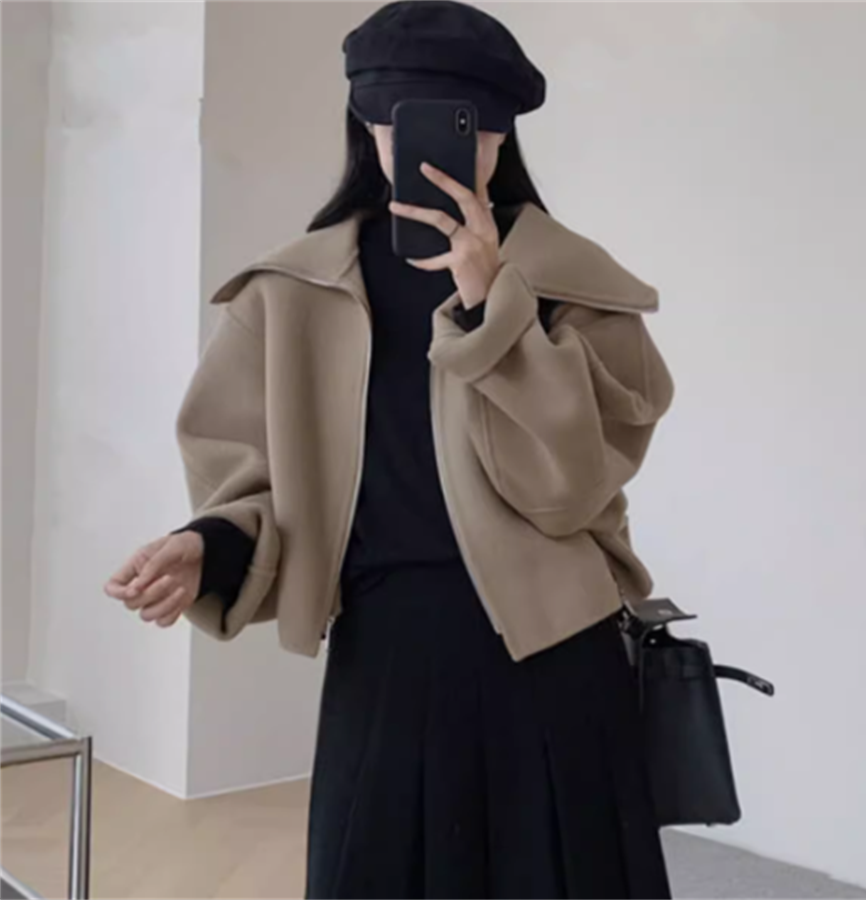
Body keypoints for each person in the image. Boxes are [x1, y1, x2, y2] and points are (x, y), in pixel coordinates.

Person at [104, 2, 675, 898]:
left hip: (556, 652)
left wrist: (492, 308)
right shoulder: (291, 291)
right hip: (386, 655)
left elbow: (571, 489)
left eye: (465, 126)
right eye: (396, 120)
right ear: (365, 126)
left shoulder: (575, 284)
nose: (431, 150)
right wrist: (207, 543)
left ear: (500, 134)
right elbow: (259, 476)